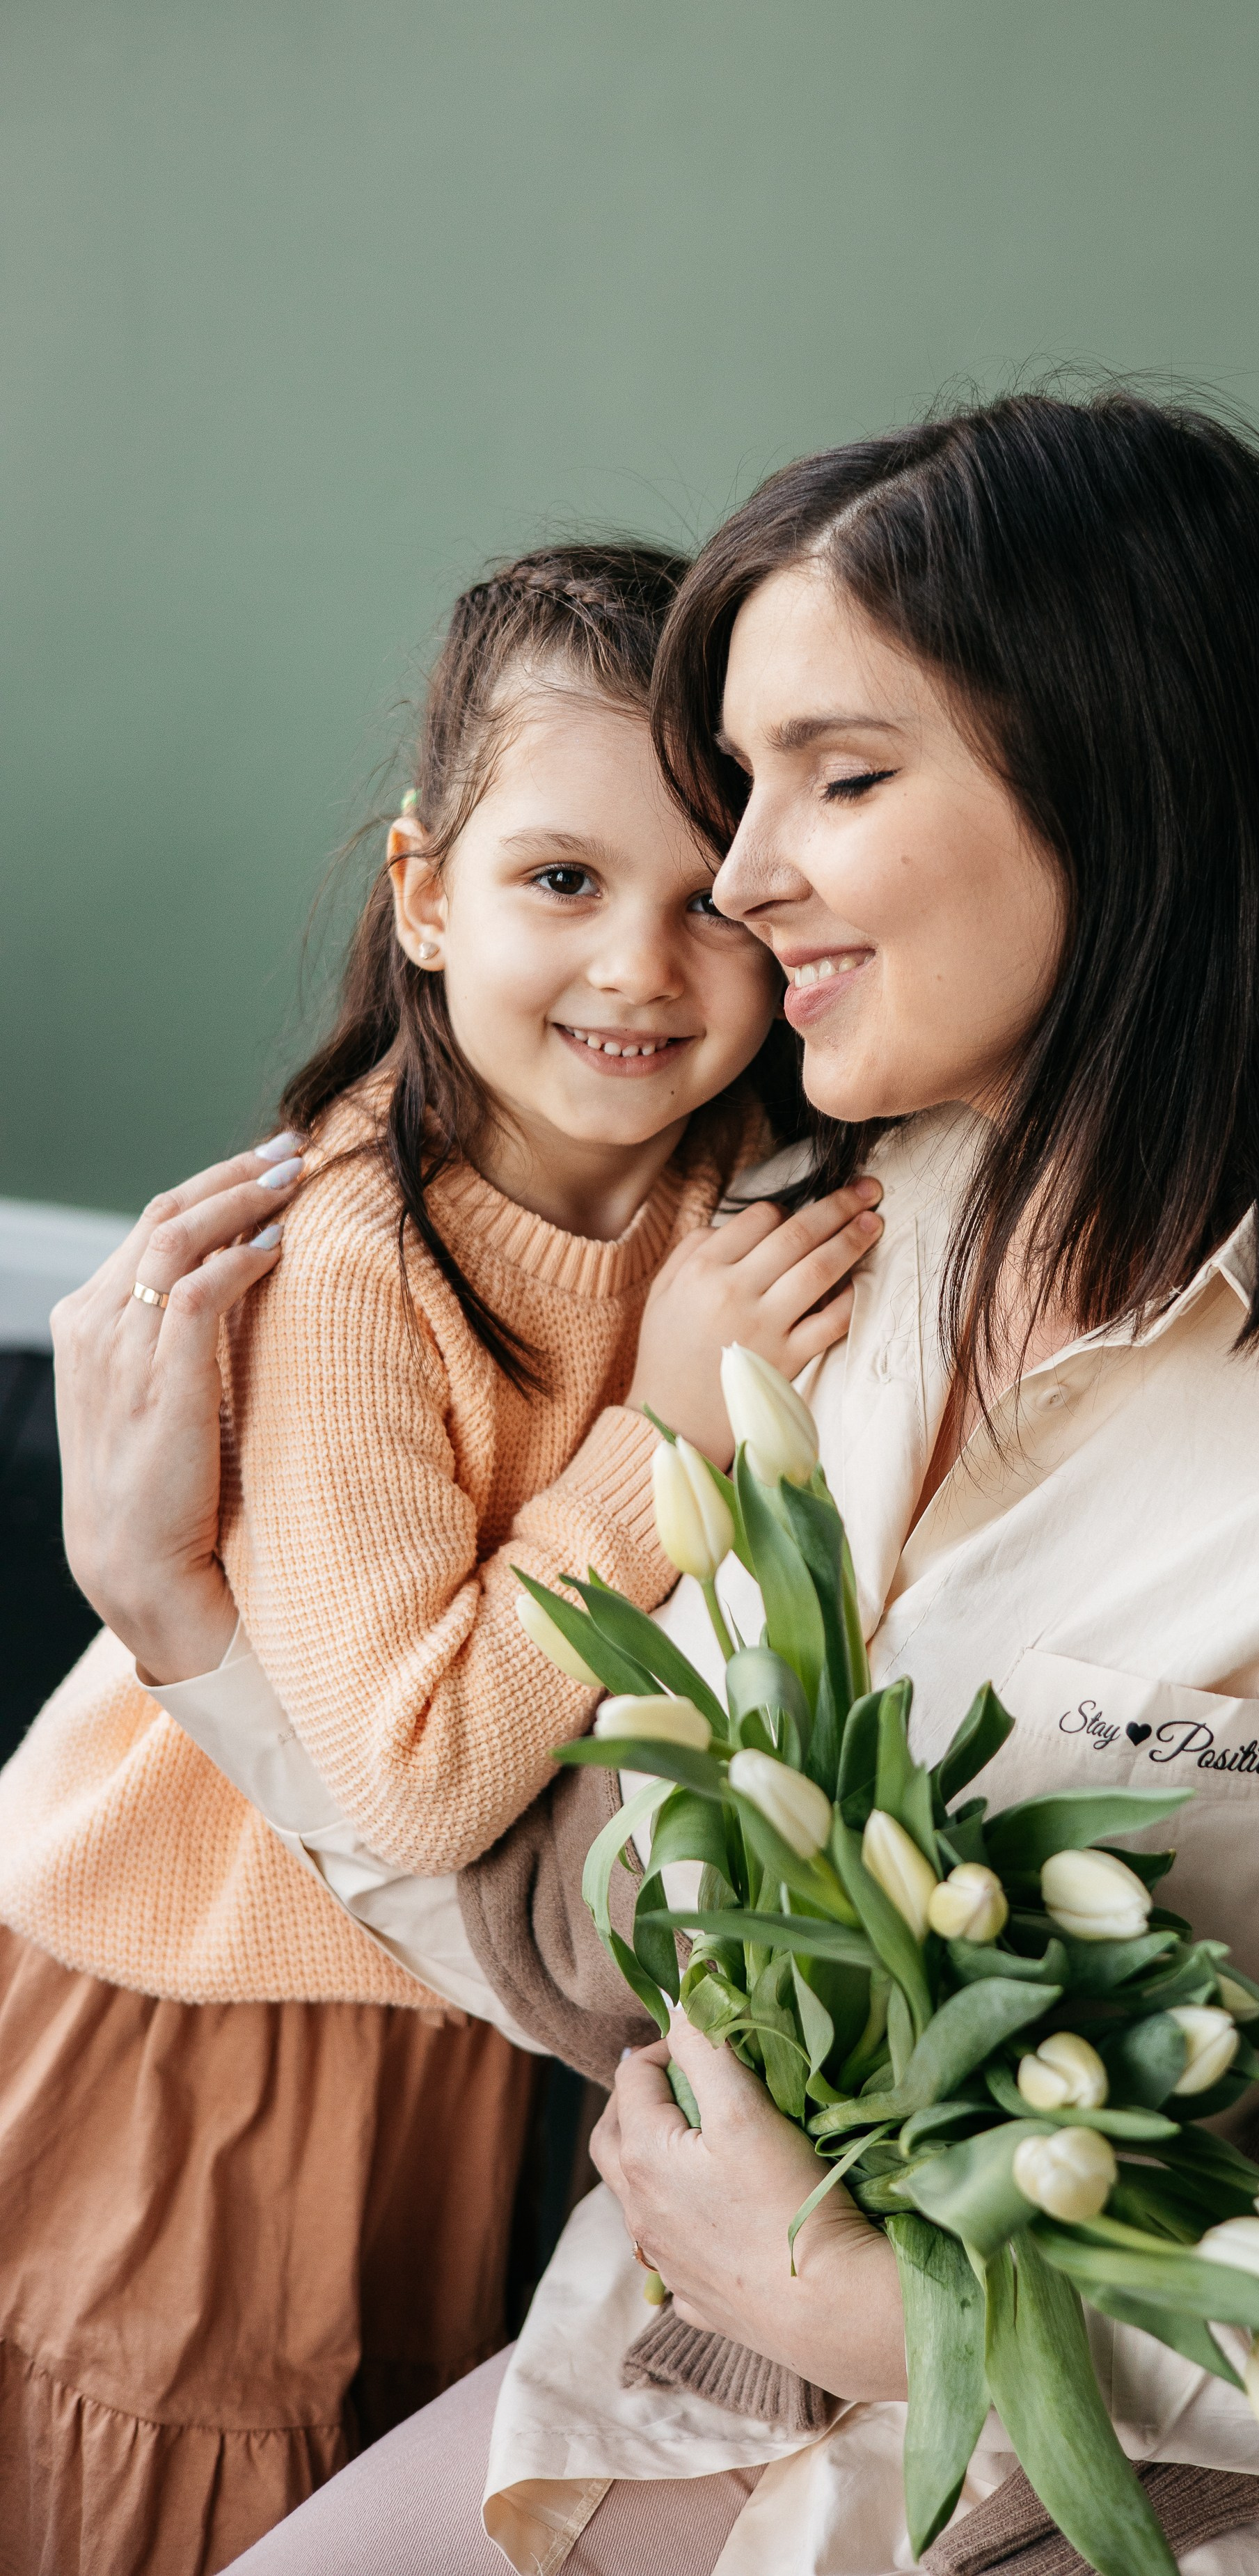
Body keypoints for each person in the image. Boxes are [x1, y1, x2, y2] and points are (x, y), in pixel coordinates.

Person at [57, 392, 1259, 2576]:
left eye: (833, 779)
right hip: (696, 2384)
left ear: (1129, 785)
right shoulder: (808, 1251)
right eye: (743, 783)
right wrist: (174, 1610)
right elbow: (592, 1917)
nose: (737, 881)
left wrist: (930, 2308)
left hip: (1246, 2501)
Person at [0, 542, 882, 2575]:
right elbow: (414, 1768)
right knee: (195, 2480)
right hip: (202, 2018)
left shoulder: (726, 1200)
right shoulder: (359, 1261)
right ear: (424, 893)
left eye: (702, 900)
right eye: (560, 881)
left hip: (435, 2006)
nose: (640, 970)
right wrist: (662, 1432)